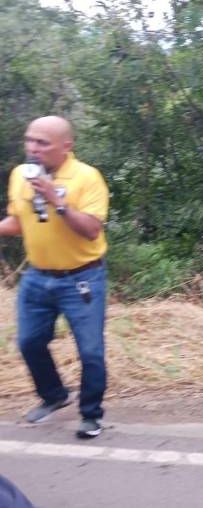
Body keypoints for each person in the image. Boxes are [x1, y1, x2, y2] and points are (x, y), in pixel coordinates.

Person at [0, 116, 109, 439]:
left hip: (82, 279)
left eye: (42, 143)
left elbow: (91, 230)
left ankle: (91, 414)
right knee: (29, 342)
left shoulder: (88, 177)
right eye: (30, 141)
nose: (33, 148)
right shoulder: (21, 175)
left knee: (90, 352)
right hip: (37, 277)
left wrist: (55, 199)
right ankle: (54, 395)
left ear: (66, 147)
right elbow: (16, 223)